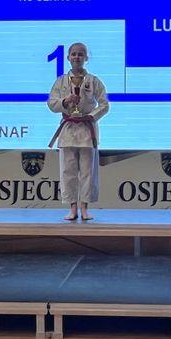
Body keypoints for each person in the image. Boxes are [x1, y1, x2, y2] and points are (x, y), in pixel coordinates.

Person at [47, 42, 109, 221]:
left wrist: (91, 116)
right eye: (73, 54)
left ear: (86, 58)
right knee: (68, 171)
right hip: (68, 129)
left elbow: (104, 105)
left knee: (88, 172)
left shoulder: (94, 81)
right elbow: (51, 103)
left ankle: (85, 208)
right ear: (68, 57)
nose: (77, 57)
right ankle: (72, 208)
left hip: (87, 129)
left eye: (80, 54)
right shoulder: (60, 81)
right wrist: (65, 101)